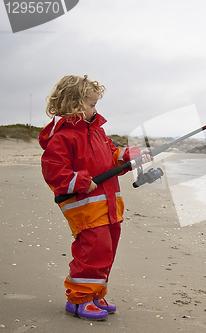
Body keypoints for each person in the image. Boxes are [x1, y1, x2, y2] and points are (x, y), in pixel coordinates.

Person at [39, 75, 150, 320]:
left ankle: (96, 293)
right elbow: (54, 171)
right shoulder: (63, 137)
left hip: (110, 205)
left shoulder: (97, 132)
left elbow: (111, 154)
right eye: (91, 104)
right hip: (85, 207)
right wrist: (80, 181)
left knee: (107, 250)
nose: (95, 109)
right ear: (74, 106)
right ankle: (79, 299)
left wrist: (130, 155)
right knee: (93, 251)